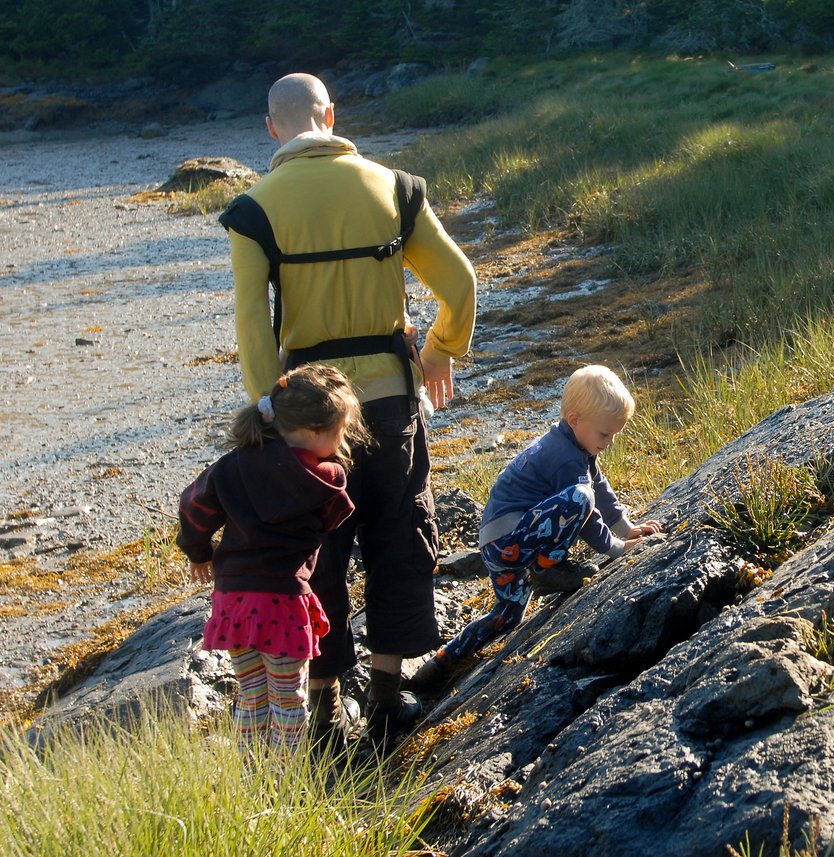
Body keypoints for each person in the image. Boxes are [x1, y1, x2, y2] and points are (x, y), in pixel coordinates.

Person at [220, 72, 477, 752]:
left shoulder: (253, 210)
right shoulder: (397, 189)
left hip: (308, 414)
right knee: (399, 536)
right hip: (391, 399)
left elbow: (252, 328)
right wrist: (443, 349)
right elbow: (462, 283)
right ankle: (390, 699)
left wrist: (271, 410)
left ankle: (326, 709)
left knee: (316, 555)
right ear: (331, 115)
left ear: (273, 127)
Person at [405, 365, 663, 694]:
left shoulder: (577, 446)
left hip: (503, 543)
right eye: (604, 434)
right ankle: (547, 570)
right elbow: (586, 508)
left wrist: (626, 528)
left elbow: (601, 487)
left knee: (507, 616)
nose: (610, 442)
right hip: (509, 539)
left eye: (614, 435)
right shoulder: (565, 457)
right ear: (575, 419)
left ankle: (443, 661)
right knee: (579, 499)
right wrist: (615, 547)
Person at [177, 364, 366, 759]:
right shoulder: (326, 479)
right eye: (340, 431)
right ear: (314, 432)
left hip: (233, 601)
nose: (342, 440)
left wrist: (198, 551)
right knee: (288, 701)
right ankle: (285, 782)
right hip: (283, 603)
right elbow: (333, 516)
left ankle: (254, 775)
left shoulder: (230, 465)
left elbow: (193, 504)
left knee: (252, 697)